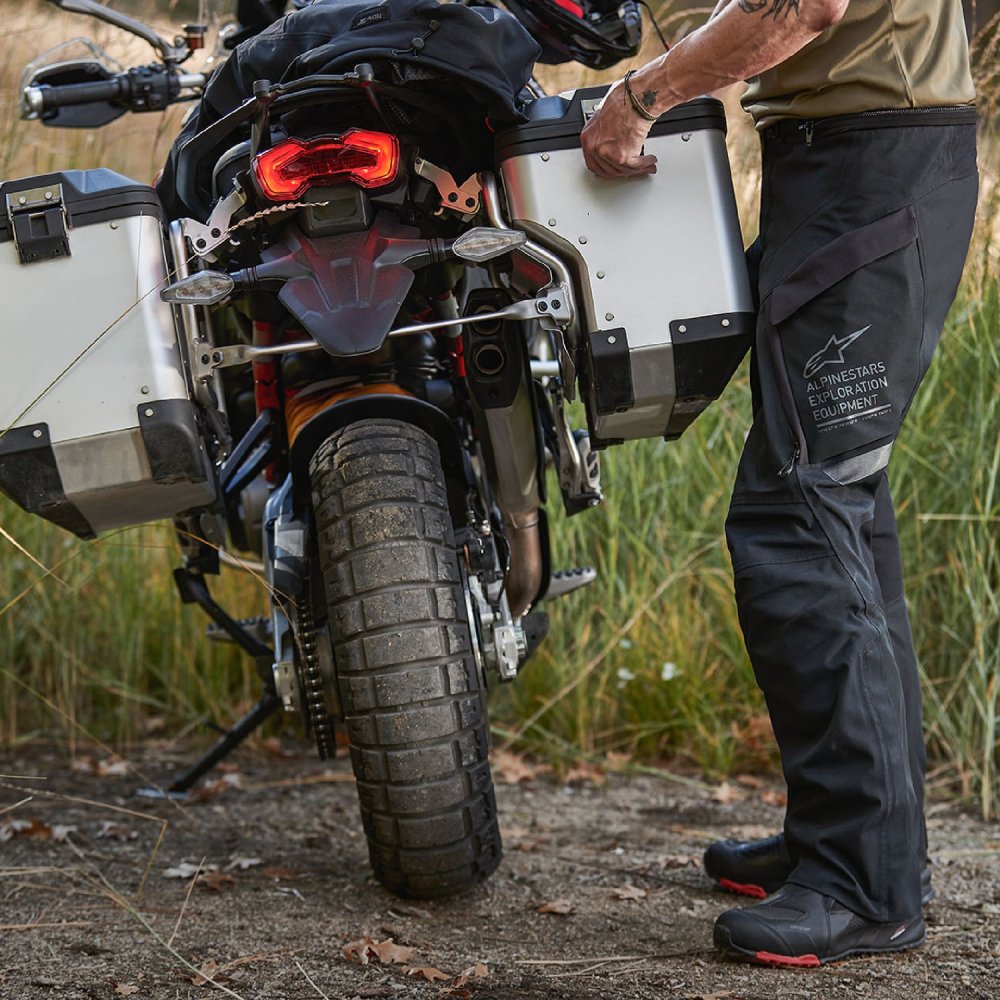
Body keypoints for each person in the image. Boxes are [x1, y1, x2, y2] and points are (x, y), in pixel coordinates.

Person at [581, 0, 978, 968]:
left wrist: (642, 96)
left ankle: (862, 886)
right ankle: (859, 843)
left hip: (875, 167)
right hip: (849, 165)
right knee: (842, 513)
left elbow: (803, 7)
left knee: (802, 514)